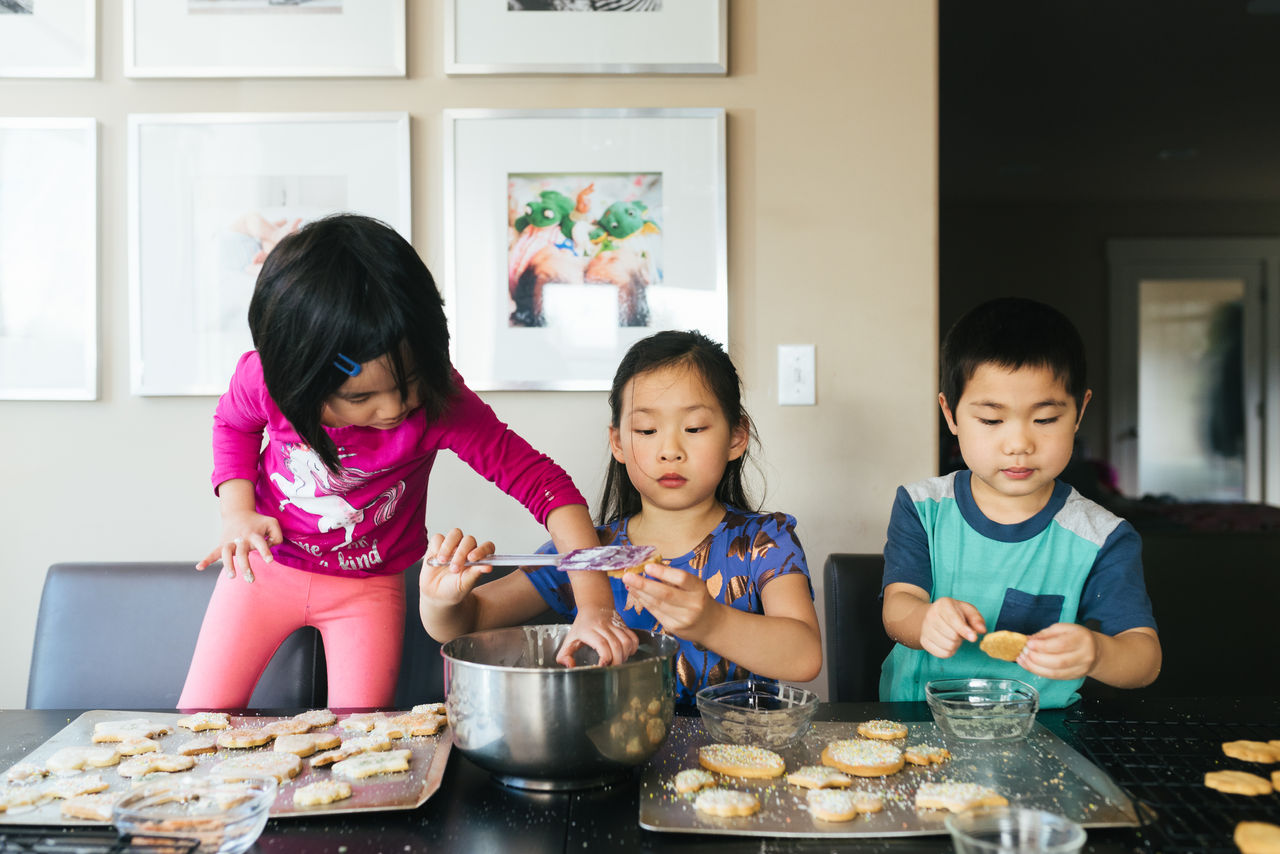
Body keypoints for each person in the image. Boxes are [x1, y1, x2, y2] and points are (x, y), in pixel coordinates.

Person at [179, 214, 635, 710]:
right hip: (261, 574)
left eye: (410, 382)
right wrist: (237, 513)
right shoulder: (265, 381)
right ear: (296, 379)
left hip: (368, 590)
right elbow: (233, 426)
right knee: (200, 720)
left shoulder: (441, 402)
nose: (394, 408)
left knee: (363, 740)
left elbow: (546, 487)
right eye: (361, 397)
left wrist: (594, 605)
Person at [420, 330, 822, 704]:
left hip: (738, 762)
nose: (670, 450)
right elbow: (469, 621)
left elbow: (804, 657)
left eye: (695, 428)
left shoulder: (764, 541)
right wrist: (440, 600)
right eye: (647, 430)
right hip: (615, 756)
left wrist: (711, 621)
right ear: (618, 442)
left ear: (736, 436)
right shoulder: (589, 554)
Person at [880, 297, 1161, 708]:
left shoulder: (1102, 538)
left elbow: (1144, 659)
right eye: (992, 420)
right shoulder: (923, 508)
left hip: (1044, 732)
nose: (1019, 444)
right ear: (951, 414)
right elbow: (897, 609)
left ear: (1079, 411)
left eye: (1045, 419)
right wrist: (925, 620)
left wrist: (1098, 652)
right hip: (919, 718)